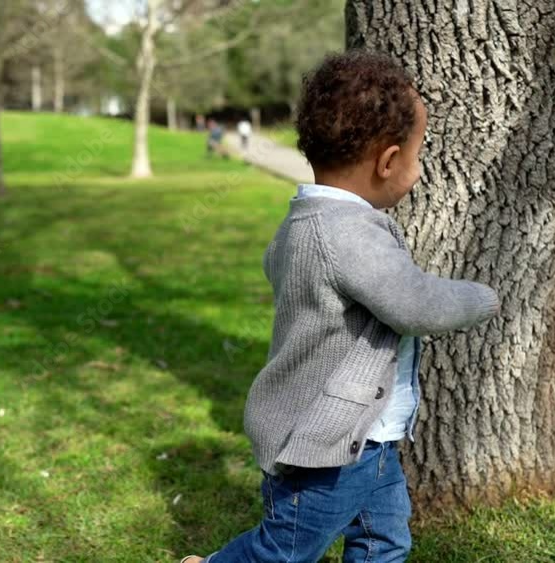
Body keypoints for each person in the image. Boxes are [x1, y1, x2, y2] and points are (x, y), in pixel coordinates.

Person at [179, 50, 500, 563]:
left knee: (384, 541)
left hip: (370, 443)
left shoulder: (304, 220)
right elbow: (415, 304)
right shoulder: (347, 233)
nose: (418, 170)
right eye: (417, 155)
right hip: (327, 450)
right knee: (283, 552)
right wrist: (484, 297)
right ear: (388, 162)